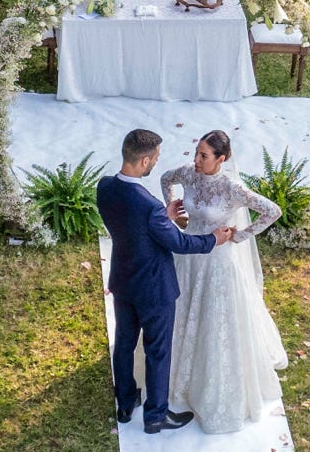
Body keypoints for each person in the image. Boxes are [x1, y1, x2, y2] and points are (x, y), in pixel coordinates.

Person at [97, 128, 234, 433]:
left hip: (123, 279)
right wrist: (212, 239)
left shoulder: (105, 187)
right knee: (157, 349)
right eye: (156, 158)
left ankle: (124, 403)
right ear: (144, 161)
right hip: (155, 288)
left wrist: (164, 219)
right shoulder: (149, 207)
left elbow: (130, 227)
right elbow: (181, 245)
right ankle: (156, 415)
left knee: (124, 343)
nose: (157, 163)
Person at [161, 132, 289, 433]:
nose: (196, 160)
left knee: (215, 324)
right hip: (188, 254)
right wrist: (175, 213)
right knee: (179, 312)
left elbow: (272, 211)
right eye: (196, 152)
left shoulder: (231, 188)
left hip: (217, 263)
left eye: (204, 156)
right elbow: (166, 179)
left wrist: (239, 236)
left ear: (222, 159)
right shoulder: (188, 174)